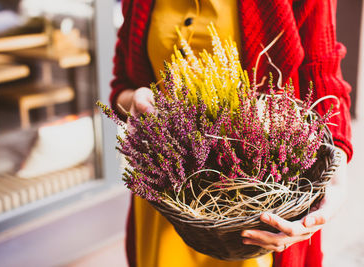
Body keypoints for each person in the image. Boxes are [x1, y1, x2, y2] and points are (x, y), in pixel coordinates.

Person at [109, 0, 353, 266]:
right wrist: (136, 100)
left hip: (257, 208)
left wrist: (335, 181)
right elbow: (123, 85)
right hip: (166, 197)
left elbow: (323, 74)